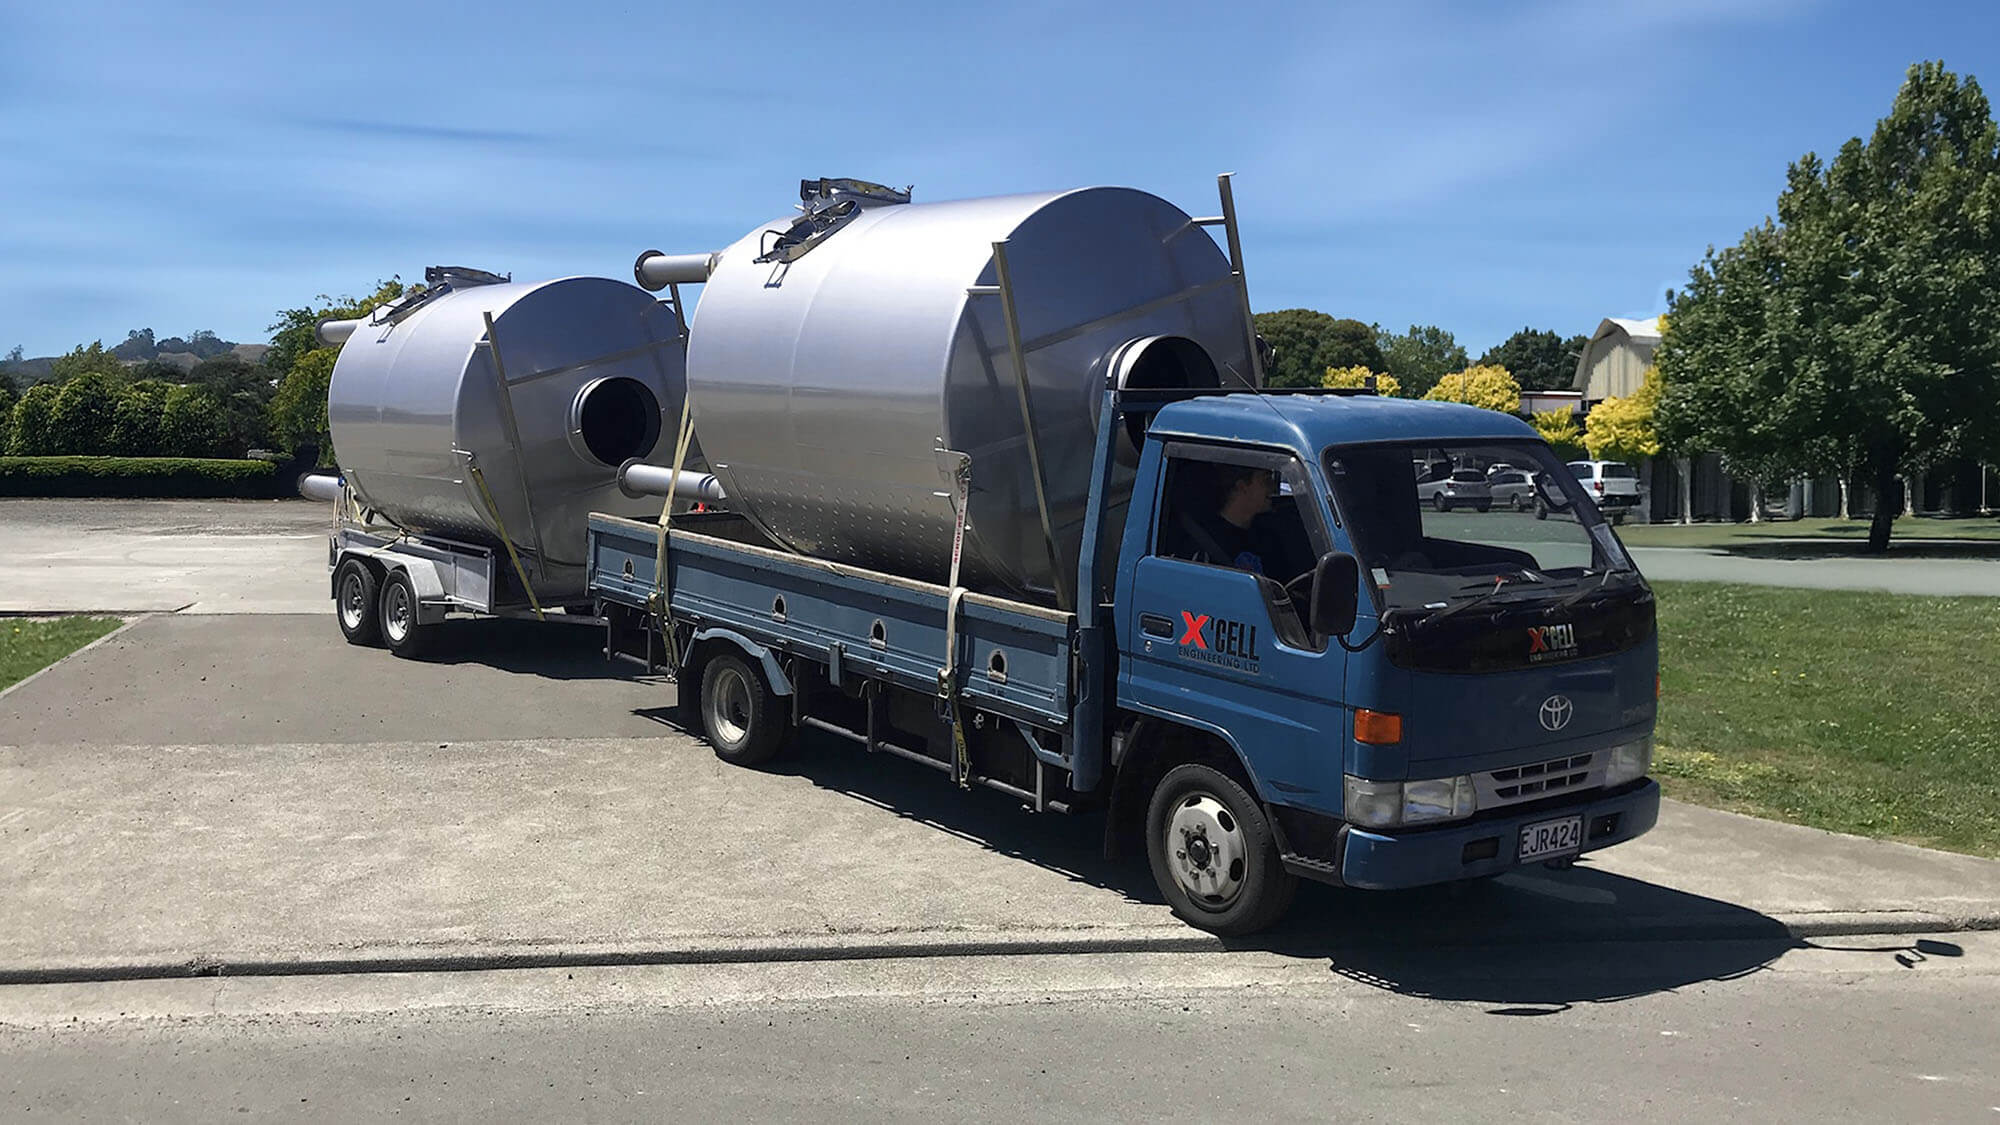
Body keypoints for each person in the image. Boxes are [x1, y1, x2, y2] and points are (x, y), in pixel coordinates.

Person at [1166, 463, 1279, 574]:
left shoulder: (1267, 537)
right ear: (1242, 486)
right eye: (1266, 480)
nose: (1274, 487)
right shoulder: (1203, 546)